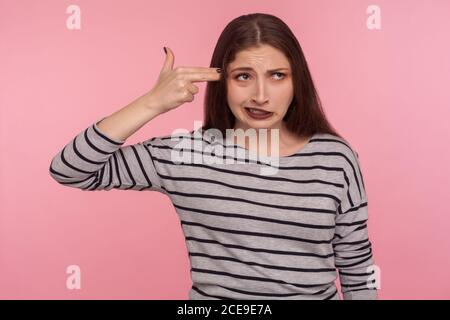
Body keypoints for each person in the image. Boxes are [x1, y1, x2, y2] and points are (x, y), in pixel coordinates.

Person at [49, 13, 378, 300]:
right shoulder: (187, 153)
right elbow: (70, 169)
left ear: (296, 82)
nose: (261, 96)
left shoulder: (335, 156)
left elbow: (356, 265)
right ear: (221, 82)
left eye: (277, 75)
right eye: (243, 76)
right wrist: (152, 102)